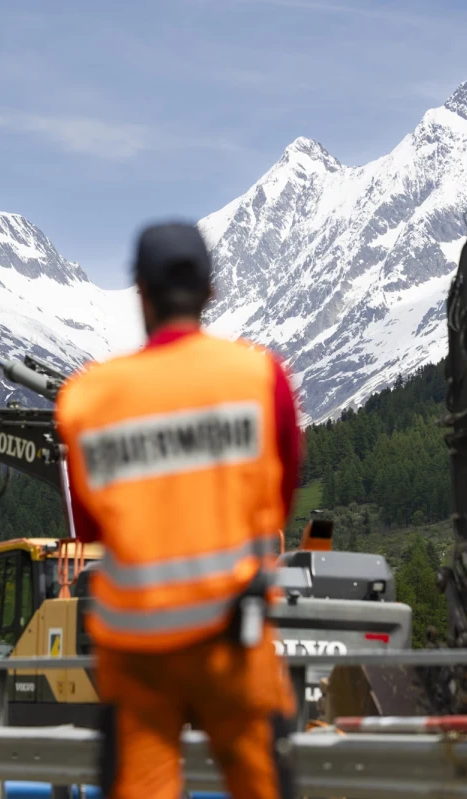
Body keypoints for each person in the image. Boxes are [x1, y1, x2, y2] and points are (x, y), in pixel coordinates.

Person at [54, 221, 303, 799]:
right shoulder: (260, 378)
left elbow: (92, 527)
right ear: (211, 292)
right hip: (232, 642)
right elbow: (277, 499)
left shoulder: (88, 398)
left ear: (139, 293)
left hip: (137, 650)